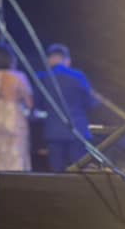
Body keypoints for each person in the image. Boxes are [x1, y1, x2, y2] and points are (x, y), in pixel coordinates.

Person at [37, 43, 97, 171]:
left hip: (53, 130)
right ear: (67, 60)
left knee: (57, 171)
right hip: (78, 129)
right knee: (79, 171)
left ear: (49, 59)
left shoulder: (42, 77)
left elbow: (38, 103)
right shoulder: (78, 76)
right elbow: (91, 102)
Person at [0, 45, 33, 171]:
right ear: (11, 59)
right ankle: (16, 177)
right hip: (13, 114)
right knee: (17, 149)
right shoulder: (18, 76)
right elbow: (30, 103)